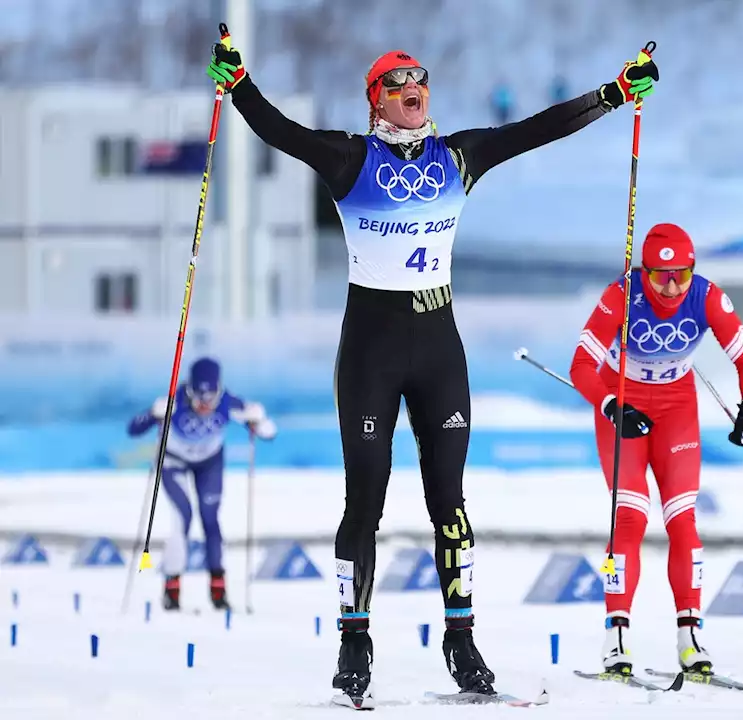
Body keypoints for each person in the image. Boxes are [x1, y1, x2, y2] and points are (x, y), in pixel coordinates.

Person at [206, 37, 659, 706]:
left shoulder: (459, 157)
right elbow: (280, 131)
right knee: (365, 503)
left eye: (419, 79)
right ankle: (354, 644)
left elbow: (537, 129)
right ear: (376, 100)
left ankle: (461, 640)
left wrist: (613, 94)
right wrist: (239, 83)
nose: (413, 87)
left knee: (449, 500)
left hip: (439, 345)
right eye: (396, 81)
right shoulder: (349, 157)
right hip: (371, 346)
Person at [568, 223, 743, 676]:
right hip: (624, 404)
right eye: (661, 277)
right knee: (631, 517)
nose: (673, 287)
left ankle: (690, 636)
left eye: (682, 275)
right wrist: (612, 404)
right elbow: (581, 364)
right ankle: (616, 637)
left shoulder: (707, 296)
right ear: (644, 271)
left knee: (682, 519)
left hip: (677, 407)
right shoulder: (621, 294)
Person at [126, 357, 276, 612]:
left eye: (211, 399)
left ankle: (218, 591)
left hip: (209, 463)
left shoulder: (229, 402)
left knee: (210, 520)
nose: (205, 406)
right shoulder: (175, 401)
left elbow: (270, 433)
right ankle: (172, 591)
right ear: (190, 391)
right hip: (174, 462)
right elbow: (133, 429)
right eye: (199, 400)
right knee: (182, 518)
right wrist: (153, 414)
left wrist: (259, 421)